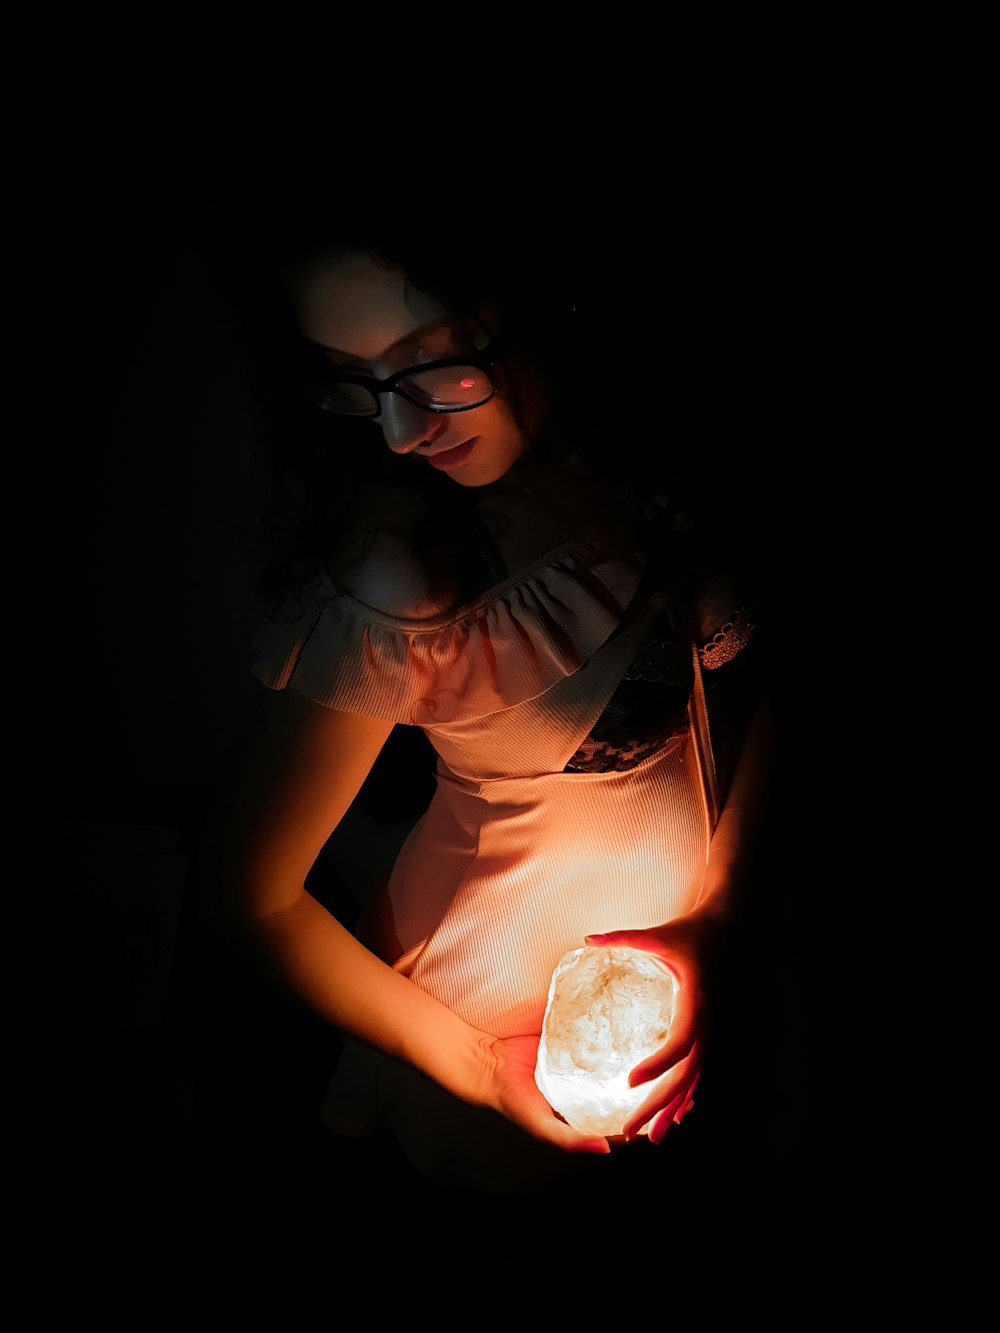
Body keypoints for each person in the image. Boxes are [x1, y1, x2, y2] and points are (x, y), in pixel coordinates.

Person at [193, 149, 782, 1207]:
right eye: (350, 382)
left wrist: (714, 920)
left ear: (543, 299)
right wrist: (477, 1069)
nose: (398, 429)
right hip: (484, 1028)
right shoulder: (403, 577)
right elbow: (250, 895)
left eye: (437, 364)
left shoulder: (645, 472)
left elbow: (749, 701)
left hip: (691, 985)